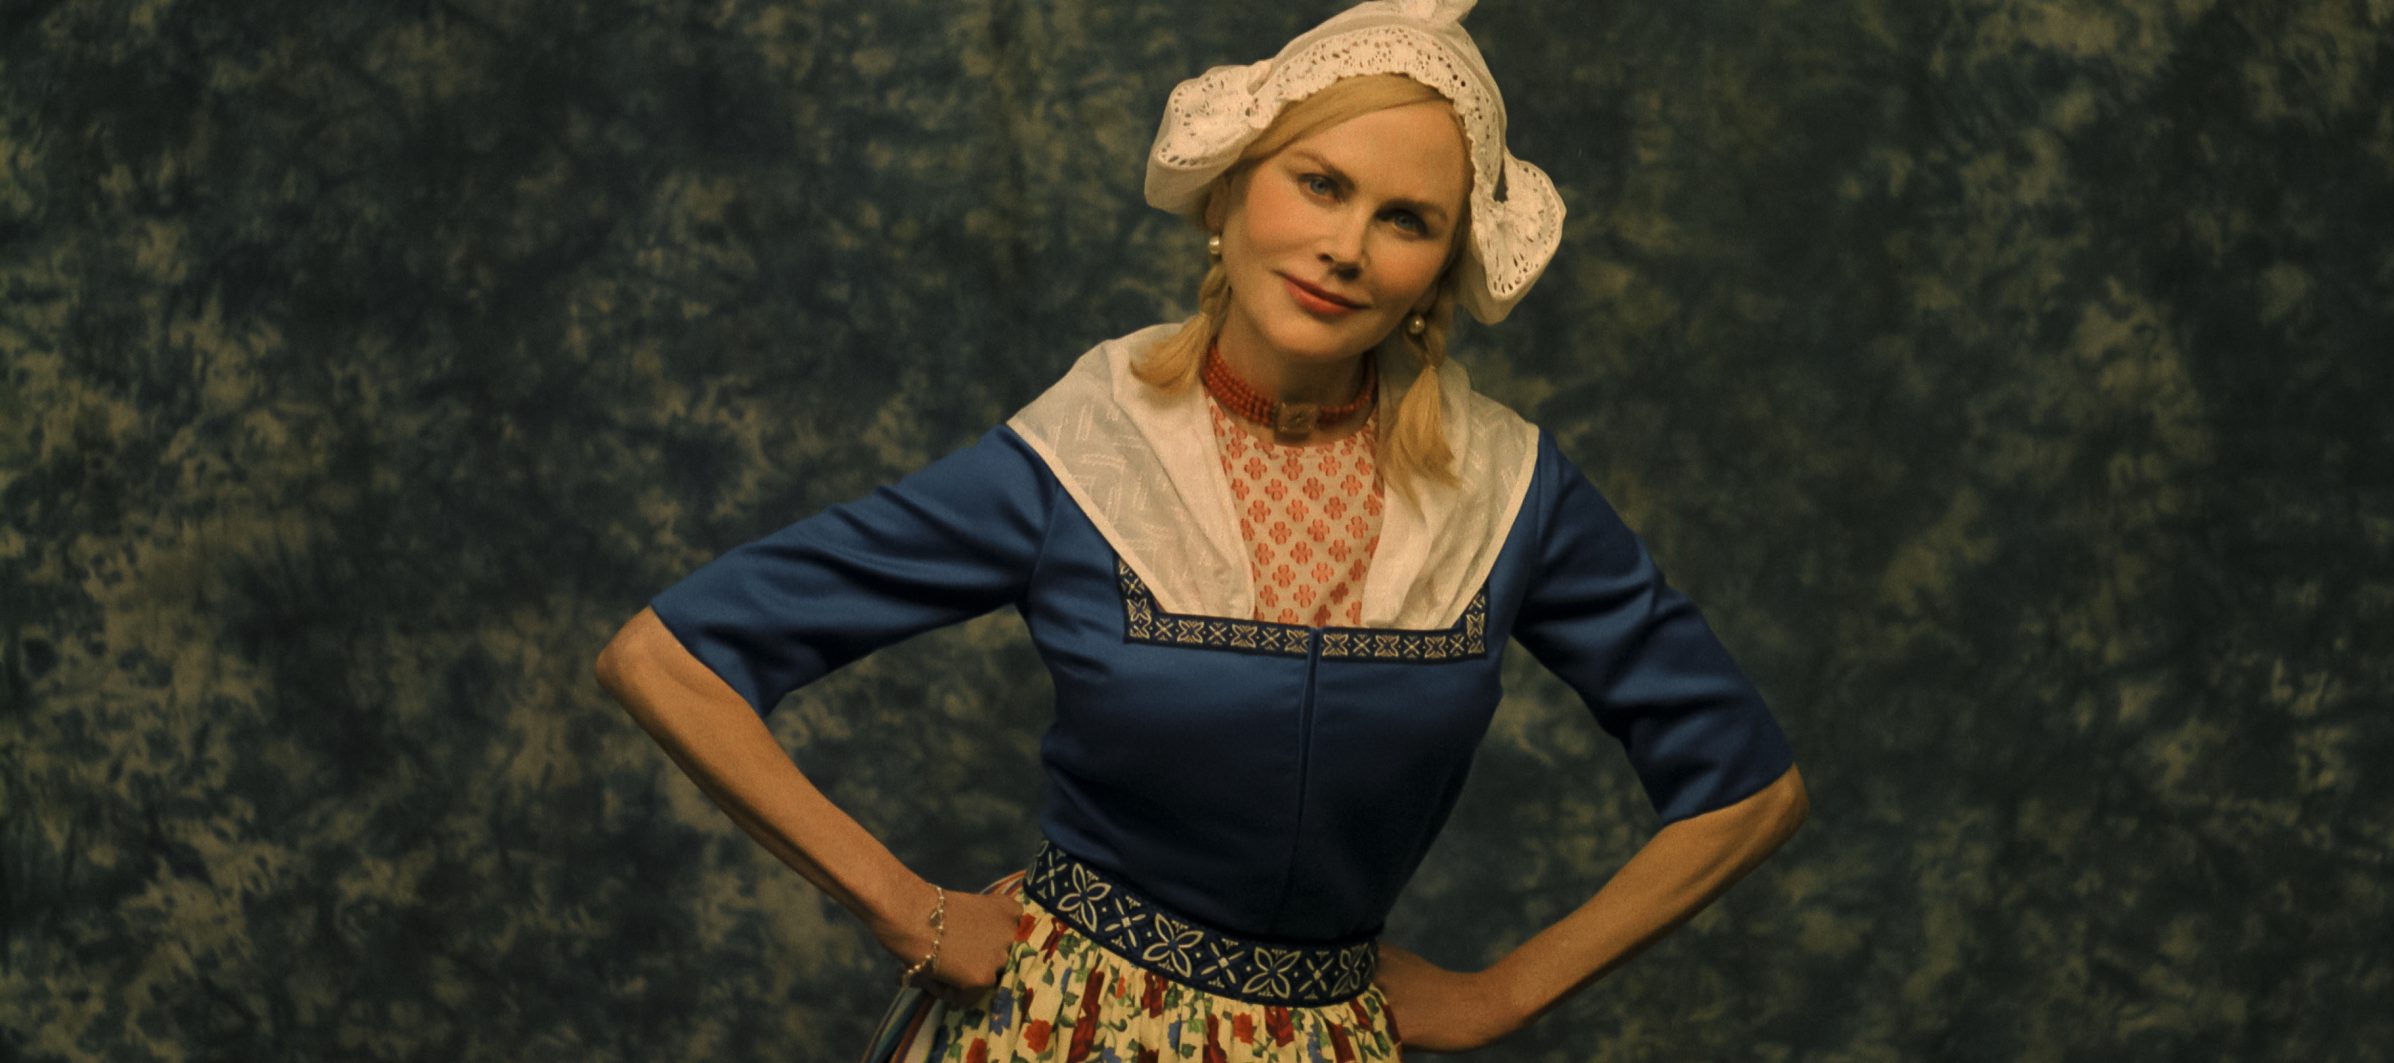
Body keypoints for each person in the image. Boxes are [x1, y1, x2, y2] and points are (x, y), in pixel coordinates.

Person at [594, 1, 1807, 1059]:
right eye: (1319, 183)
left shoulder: (1512, 493)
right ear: (1230, 190)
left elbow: (1747, 788)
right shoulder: (1087, 451)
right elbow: (670, 659)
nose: (1344, 248)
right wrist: (902, 905)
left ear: (1445, 269)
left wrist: (1500, 994)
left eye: (1405, 219)